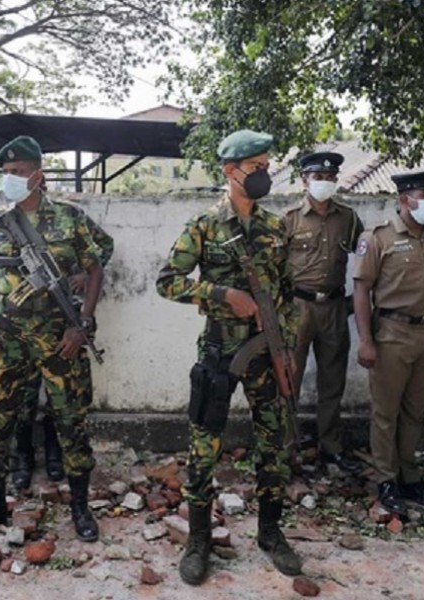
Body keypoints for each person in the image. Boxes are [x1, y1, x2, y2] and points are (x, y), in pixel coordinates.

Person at [157, 129, 302, 585]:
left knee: (274, 445)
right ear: (230, 171)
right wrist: (224, 294)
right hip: (220, 352)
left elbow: (286, 293)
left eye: (265, 167)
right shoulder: (203, 226)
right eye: (255, 168)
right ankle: (199, 539)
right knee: (204, 449)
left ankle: (271, 533)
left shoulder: (276, 227)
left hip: (266, 354)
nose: (263, 175)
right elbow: (168, 281)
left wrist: (289, 347)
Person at [0, 135, 104, 543]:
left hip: (60, 343)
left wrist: (83, 324)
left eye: (17, 173)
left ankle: (80, 507)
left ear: (37, 176)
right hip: (7, 343)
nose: (8, 179)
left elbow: (95, 269)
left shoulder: (69, 218)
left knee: (72, 424)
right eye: (5, 173)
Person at [352, 168, 424, 517]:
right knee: (386, 413)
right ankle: (386, 480)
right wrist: (366, 341)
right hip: (392, 335)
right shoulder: (379, 238)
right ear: (404, 200)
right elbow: (361, 289)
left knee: (415, 412)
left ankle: (409, 476)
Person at [11, 212, 113, 490]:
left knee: (63, 393)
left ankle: (55, 453)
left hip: (66, 312)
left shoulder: (69, 217)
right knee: (24, 393)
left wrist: (83, 273)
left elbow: (105, 244)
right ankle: (24, 456)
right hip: (23, 320)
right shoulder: (9, 220)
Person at [283, 151, 364, 473]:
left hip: (333, 307)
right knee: (288, 380)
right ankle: (287, 450)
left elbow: (365, 260)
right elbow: (272, 268)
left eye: (331, 178)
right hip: (297, 307)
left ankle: (330, 447)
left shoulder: (349, 219)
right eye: (318, 177)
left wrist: (350, 304)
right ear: (305, 180)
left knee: (333, 382)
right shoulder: (289, 220)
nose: (325, 183)